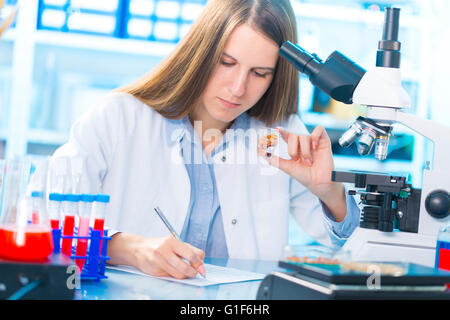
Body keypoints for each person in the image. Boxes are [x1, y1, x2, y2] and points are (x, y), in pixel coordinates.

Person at [50, 0, 360, 279]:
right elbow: (46, 222)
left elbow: (347, 248)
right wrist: (130, 249)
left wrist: (330, 192)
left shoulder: (279, 134)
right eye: (226, 63)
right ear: (200, 52)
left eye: (260, 73)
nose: (238, 88)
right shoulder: (119, 117)